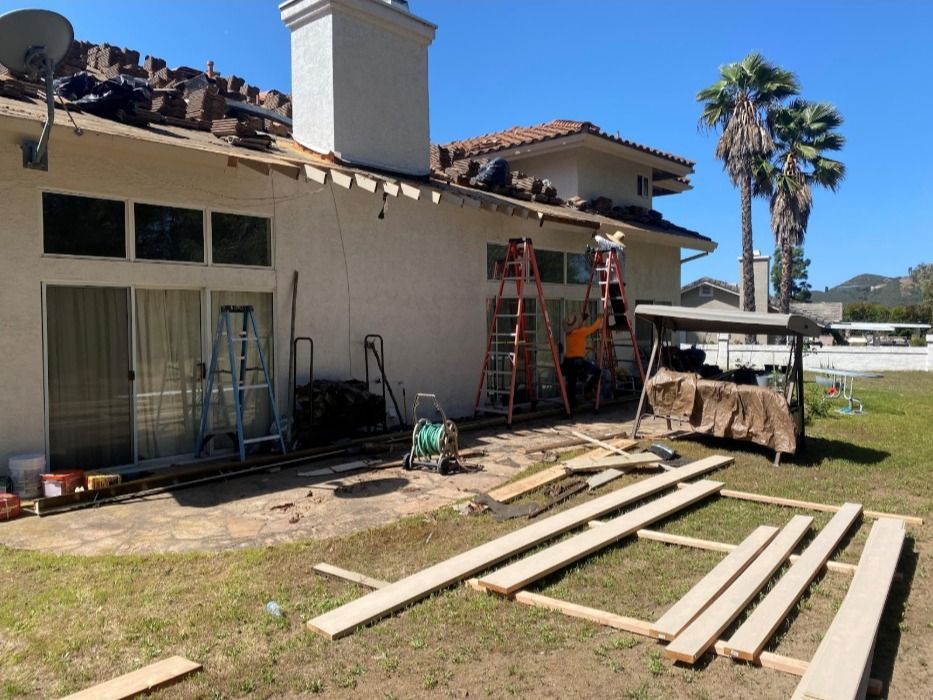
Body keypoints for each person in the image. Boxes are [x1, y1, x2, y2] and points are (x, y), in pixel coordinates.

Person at [561, 312, 603, 406]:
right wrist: (600, 318)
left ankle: (572, 403)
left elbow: (578, 326)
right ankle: (588, 389)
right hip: (578, 362)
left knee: (572, 382)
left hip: (568, 362)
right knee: (597, 372)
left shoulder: (568, 334)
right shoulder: (580, 332)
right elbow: (593, 328)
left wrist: (582, 319)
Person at [593, 231, 626, 328]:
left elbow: (604, 242)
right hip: (617, 281)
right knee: (617, 304)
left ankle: (621, 323)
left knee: (617, 304)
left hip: (616, 281)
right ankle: (621, 323)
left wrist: (596, 236)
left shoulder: (616, 248)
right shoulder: (619, 250)